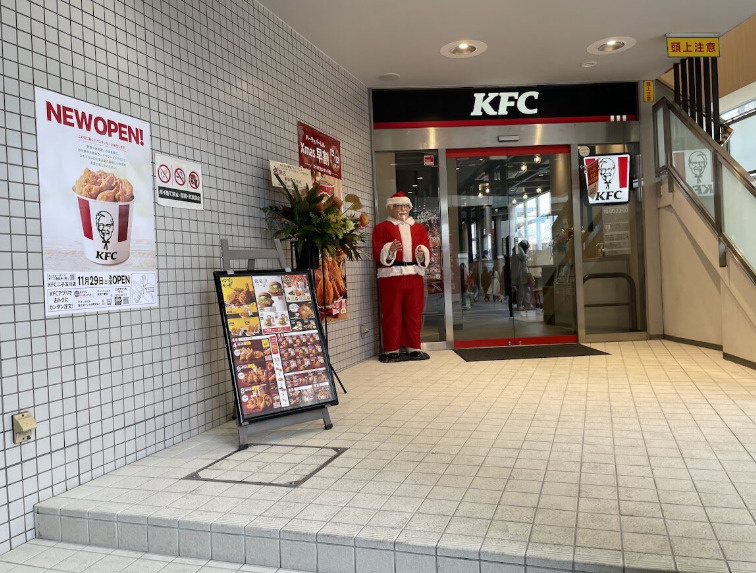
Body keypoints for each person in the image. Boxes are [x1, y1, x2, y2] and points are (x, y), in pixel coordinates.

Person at [373, 191, 431, 363]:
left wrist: (422, 253)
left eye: (406, 206)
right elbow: (377, 252)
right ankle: (391, 348)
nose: (403, 209)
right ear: (390, 208)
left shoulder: (419, 228)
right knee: (392, 313)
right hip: (391, 276)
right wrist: (389, 250)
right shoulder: (381, 228)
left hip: (414, 274)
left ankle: (413, 346)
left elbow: (426, 247)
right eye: (398, 206)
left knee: (414, 312)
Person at [516, 240, 533, 310]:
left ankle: (527, 304)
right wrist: (527, 255)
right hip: (521, 273)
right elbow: (523, 257)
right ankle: (520, 305)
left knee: (526, 289)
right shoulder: (519, 249)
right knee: (521, 289)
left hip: (524, 272)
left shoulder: (520, 249)